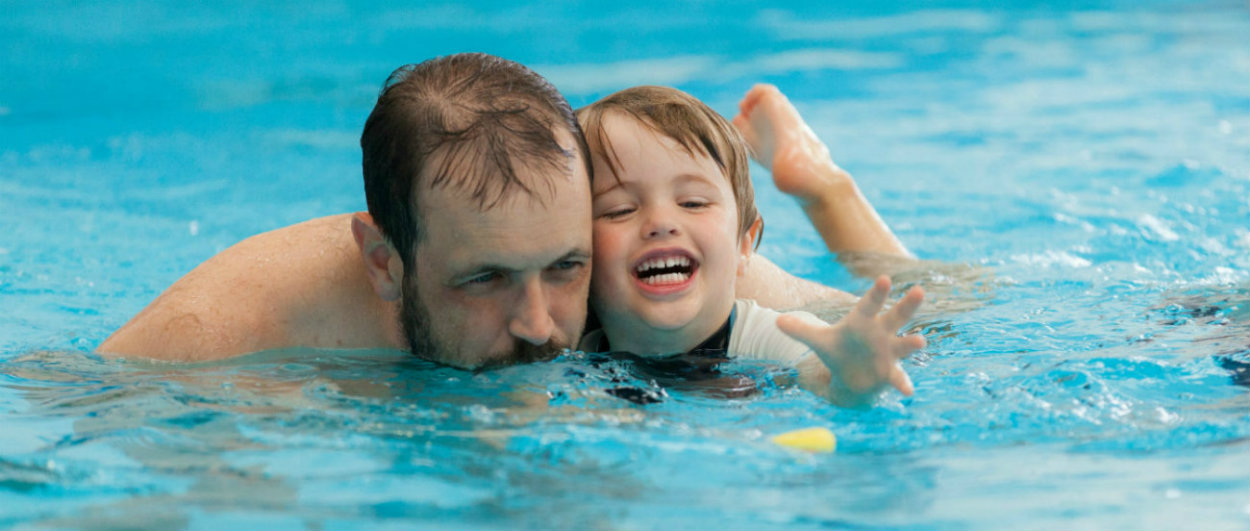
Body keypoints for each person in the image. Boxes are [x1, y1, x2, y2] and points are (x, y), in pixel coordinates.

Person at [96, 53, 903, 371]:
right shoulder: (217, 338)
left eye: (564, 267)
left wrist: (830, 200)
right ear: (385, 263)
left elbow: (936, 319)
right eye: (483, 278)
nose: (540, 324)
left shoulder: (637, 258)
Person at [574, 86, 924, 406]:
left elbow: (820, 364)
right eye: (620, 210)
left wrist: (851, 376)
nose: (660, 223)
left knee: (936, 310)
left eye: (693, 202)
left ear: (745, 245)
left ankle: (826, 189)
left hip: (894, 318)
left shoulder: (770, 333)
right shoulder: (571, 337)